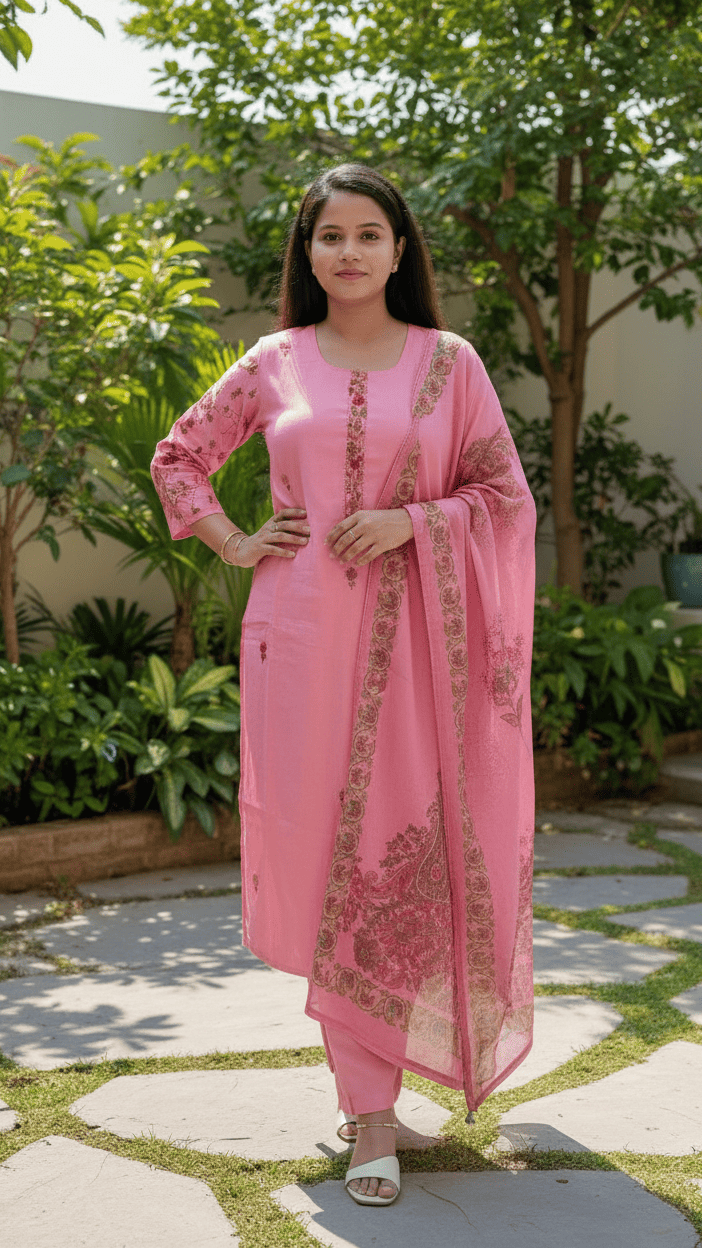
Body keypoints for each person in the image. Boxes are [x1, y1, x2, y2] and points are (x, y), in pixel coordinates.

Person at [151, 164, 537, 1207]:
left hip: (420, 647)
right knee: (328, 855)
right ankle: (368, 1105)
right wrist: (235, 540)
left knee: (399, 848)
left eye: (371, 234)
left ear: (401, 251)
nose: (351, 253)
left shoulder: (449, 364)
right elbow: (180, 455)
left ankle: (372, 1097)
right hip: (303, 642)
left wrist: (415, 520)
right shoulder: (273, 361)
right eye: (331, 236)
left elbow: (502, 494)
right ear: (307, 253)